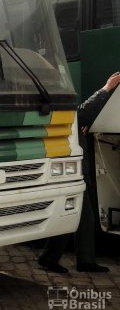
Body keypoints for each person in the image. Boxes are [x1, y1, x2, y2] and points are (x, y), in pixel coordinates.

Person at [38, 71, 120, 273]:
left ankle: (75, 260)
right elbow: (81, 113)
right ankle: (63, 259)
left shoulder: (59, 110)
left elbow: (79, 116)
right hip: (69, 171)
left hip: (72, 170)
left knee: (76, 216)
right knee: (78, 216)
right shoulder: (60, 111)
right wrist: (106, 89)